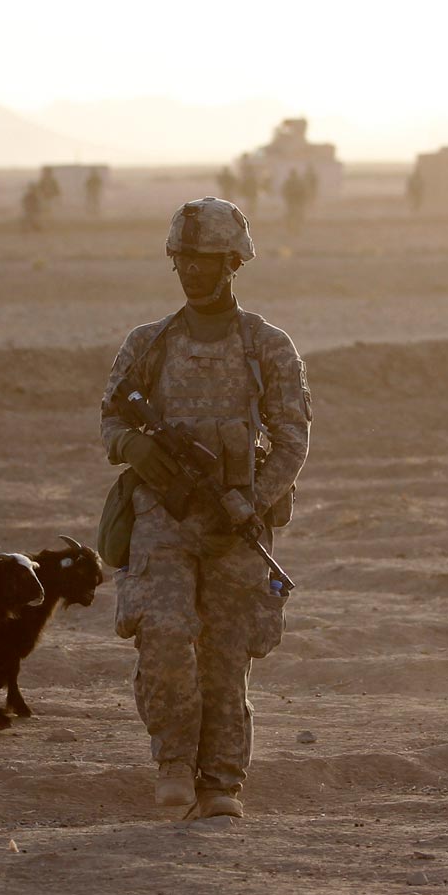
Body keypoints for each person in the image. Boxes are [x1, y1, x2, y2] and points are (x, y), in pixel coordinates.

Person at [100, 196, 311, 820]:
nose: (193, 270)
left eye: (206, 259)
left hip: (237, 522)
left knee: (226, 653)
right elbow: (111, 415)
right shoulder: (149, 344)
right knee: (164, 635)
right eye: (183, 258)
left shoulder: (268, 347)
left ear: (232, 264)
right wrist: (135, 445)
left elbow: (293, 438)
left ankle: (219, 781)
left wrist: (251, 501)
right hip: (162, 517)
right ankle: (172, 765)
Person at [281, 169, 308, 234]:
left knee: (293, 216)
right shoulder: (298, 182)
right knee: (295, 216)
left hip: (293, 202)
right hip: (295, 202)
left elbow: (284, 191)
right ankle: (295, 229)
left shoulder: (289, 182)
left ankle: (293, 229)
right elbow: (304, 192)